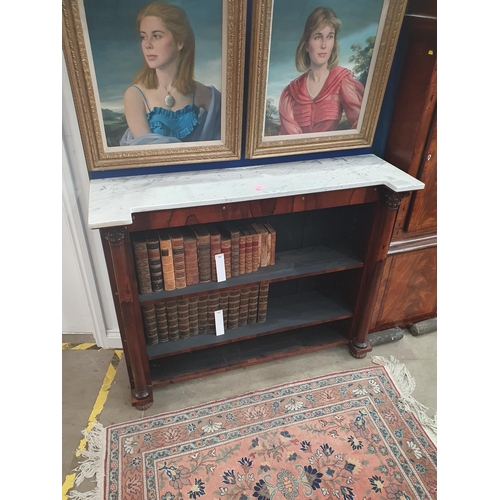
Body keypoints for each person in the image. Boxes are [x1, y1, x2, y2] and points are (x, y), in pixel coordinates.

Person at [120, 1, 221, 146]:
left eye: (156, 36)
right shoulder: (135, 95)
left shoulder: (200, 92)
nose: (147, 44)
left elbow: (230, 132)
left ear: (179, 42)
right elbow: (148, 154)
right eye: (143, 37)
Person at [278, 7, 364, 135]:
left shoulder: (343, 81)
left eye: (329, 37)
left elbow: (361, 127)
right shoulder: (291, 92)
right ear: (307, 44)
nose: (324, 45)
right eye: (318, 37)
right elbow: (286, 138)